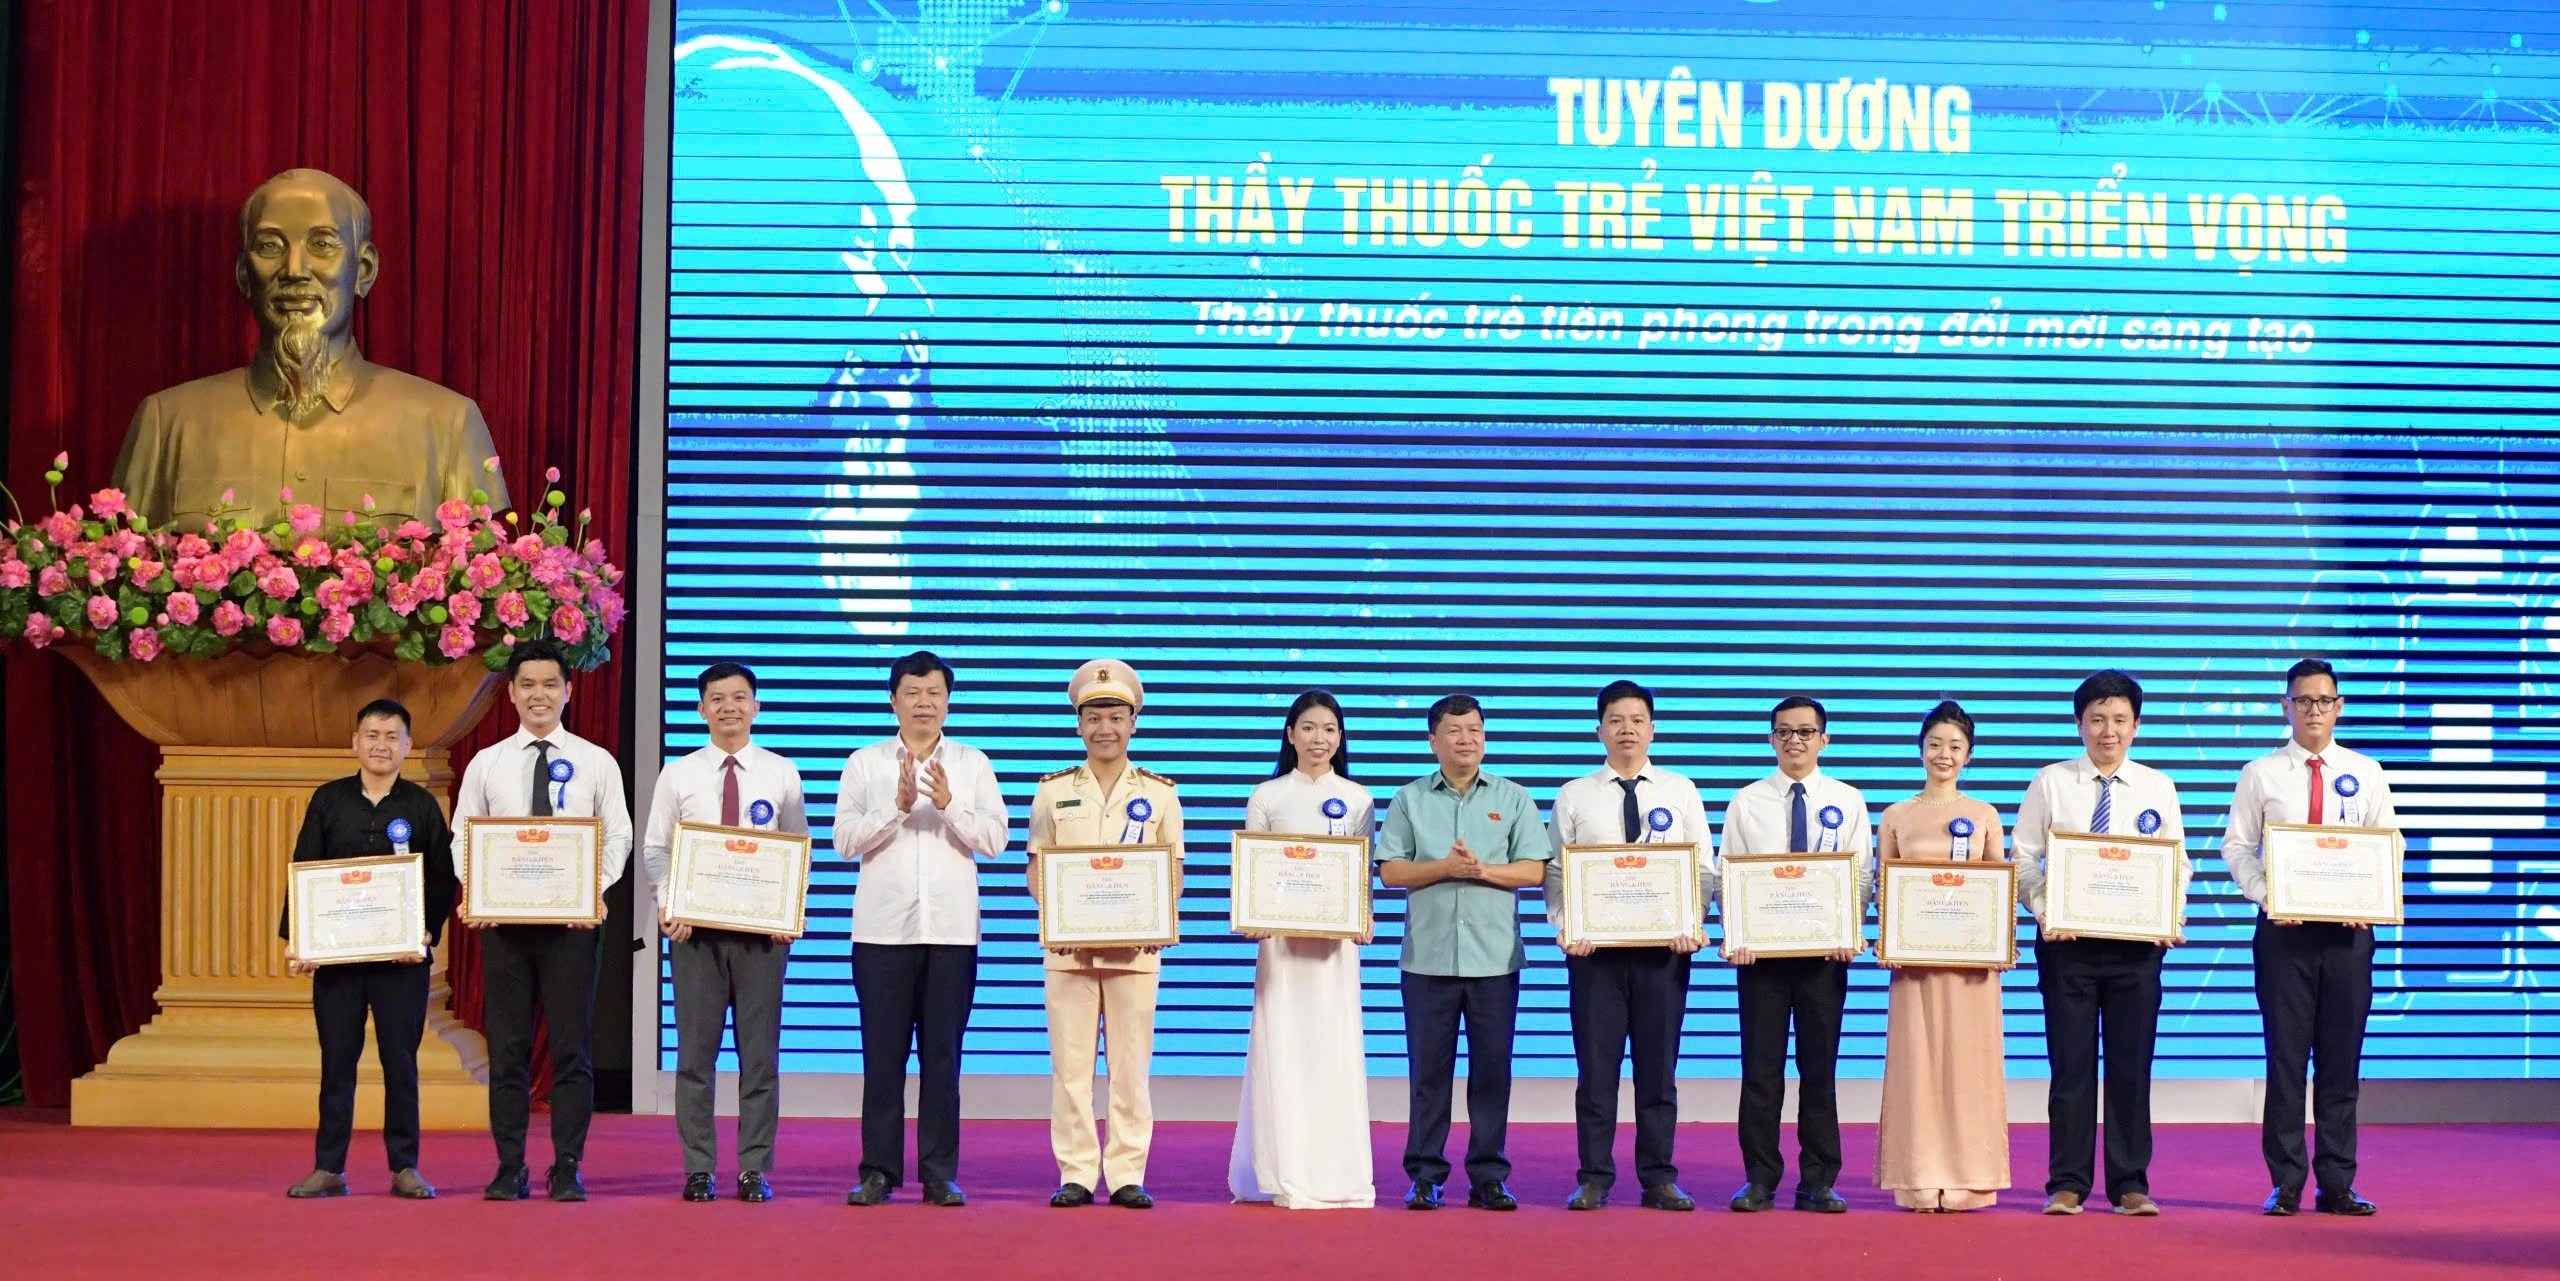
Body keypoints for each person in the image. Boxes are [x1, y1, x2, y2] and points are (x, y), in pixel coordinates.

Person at [111, 167, 506, 530]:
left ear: (363, 270)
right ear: (244, 274)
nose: (295, 270)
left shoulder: (447, 425)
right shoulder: (166, 423)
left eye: (322, 244)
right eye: (270, 246)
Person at [450, 638, 633, 1203]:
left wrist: (592, 890)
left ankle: (568, 1165)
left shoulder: (596, 762)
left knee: (572, 1049)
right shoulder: (487, 763)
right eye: (527, 684)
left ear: (568, 691)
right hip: (504, 928)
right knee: (507, 1050)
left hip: (572, 928)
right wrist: (477, 891)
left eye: (550, 684)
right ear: (510, 693)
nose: (539, 695)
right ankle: (510, 1165)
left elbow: (618, 835)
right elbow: (463, 836)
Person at [2221, 657, 2399, 1218]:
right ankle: (2287, 1183)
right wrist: (2266, 896)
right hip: (2284, 937)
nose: (2314, 710)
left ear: (2338, 707)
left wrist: (2371, 900)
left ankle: (2337, 1183)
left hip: (2349, 937)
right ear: (2286, 706)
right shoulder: (2261, 773)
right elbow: (2236, 847)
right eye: (2303, 700)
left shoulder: (2366, 771)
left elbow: (2389, 844)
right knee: (2286, 1060)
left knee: (2341, 1062)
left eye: (2324, 701)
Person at [835, 651, 1008, 1208]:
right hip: (881, 934)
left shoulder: (973, 763)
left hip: (951, 933)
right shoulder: (865, 763)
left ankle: (939, 1173)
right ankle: (878, 1172)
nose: (924, 703)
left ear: (948, 701)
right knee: (882, 1058)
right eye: (912, 693)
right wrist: (898, 807)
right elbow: (844, 842)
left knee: (943, 1058)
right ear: (893, 701)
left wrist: (949, 804)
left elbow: (995, 841)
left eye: (934, 693)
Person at [2013, 670, 2187, 1217]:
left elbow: (2176, 864)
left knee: (2132, 1068)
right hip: (2068, 946)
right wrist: (2045, 909)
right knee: (2071, 1069)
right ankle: (2067, 1183)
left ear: (2136, 725)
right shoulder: (2051, 782)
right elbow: (2023, 858)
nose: (2108, 731)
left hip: (2137, 949)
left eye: (2118, 720)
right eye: (2096, 719)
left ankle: (2130, 1184)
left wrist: (2169, 915)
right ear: (2079, 724)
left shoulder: (2158, 786)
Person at [641, 661, 810, 1203]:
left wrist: (788, 912)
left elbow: (797, 848)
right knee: (695, 1057)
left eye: (739, 697)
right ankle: (699, 1167)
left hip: (762, 938)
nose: (728, 707)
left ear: (756, 706)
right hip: (695, 935)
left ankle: (754, 1167)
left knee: (759, 1059)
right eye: (717, 698)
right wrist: (668, 905)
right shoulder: (678, 774)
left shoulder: (781, 772)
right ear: (701, 709)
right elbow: (656, 850)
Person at [1377, 694, 1549, 1212]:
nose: (1466, 739)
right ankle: (1425, 1175)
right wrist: (1444, 868)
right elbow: (1391, 871)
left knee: (1492, 1072)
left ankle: (1489, 1176)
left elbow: (1533, 870)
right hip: (1427, 960)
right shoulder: (1408, 799)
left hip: (1494, 959)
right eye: (1454, 731)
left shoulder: (1513, 797)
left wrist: (1481, 871)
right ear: (1433, 741)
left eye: (1474, 729)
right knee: (1428, 1074)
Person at [280, 698, 457, 1200]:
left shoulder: (421, 805)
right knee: (337, 1062)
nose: (382, 745)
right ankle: (329, 1167)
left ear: (407, 745)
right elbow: (305, 869)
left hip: (401, 962)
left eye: (392, 736)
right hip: (339, 962)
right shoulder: (328, 800)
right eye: (373, 735)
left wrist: (424, 934)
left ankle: (405, 1167)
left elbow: (442, 879)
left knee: (401, 1064)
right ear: (355, 742)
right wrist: (302, 941)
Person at [1545, 680, 1708, 1212]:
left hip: (1664, 953)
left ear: (1652, 729)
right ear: (1599, 730)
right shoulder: (1575, 794)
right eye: (1616, 720)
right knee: (1597, 1072)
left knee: (1658, 1072)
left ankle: (1659, 1177)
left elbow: (1702, 869)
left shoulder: (1681, 790)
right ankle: (1594, 1176)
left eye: (1637, 720)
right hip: (1595, 956)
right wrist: (1566, 925)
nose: (1627, 730)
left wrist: (1693, 922)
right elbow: (1556, 870)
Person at [1027, 660, 1184, 1209]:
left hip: (1134, 953)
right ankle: (1075, 1172)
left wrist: (1159, 920)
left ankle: (1126, 1173)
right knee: (1070, 1069)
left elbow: (1173, 872)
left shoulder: (1161, 794)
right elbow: (1037, 867)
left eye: (1116, 717)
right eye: (1093, 718)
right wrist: (1057, 917)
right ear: (1078, 724)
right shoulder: (1051, 791)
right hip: (1068, 953)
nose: (1105, 728)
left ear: (1133, 723)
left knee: (1130, 1069)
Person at [1714, 696, 1870, 1214]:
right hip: (1761, 959)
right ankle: (1759, 1179)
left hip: (1825, 957)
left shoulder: (1848, 800)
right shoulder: (1747, 801)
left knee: (1819, 1071)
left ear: (1824, 739)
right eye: (1784, 732)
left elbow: (1862, 876)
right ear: (1771, 740)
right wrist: (1734, 933)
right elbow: (1728, 875)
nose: (1795, 740)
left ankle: (1819, 1181)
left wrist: (1851, 929)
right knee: (1760, 1071)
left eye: (1805, 731)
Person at [1229, 690, 1378, 1210]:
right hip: (1281, 949)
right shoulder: (1267, 795)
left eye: (1330, 729)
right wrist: (1252, 917)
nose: (1320, 739)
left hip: (1336, 951)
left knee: (1333, 1048)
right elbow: (1253, 872)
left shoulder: (1357, 797)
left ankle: (1336, 1172)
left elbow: (1362, 874)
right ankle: (1284, 1168)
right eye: (1309, 728)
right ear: (1290, 734)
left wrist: (1364, 916)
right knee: (1284, 1048)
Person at [1874, 700, 2011, 1213]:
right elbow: (1883, 889)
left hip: (1972, 969)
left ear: (1969, 755)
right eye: (1935, 744)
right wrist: (1888, 940)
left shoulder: (1984, 815)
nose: (1944, 754)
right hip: (1913, 967)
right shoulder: (1896, 816)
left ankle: (1970, 1180)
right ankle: (1917, 1178)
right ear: (1920, 750)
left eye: (1955, 746)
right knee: (1916, 1067)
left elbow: (1999, 886)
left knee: (1970, 1069)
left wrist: (1999, 944)